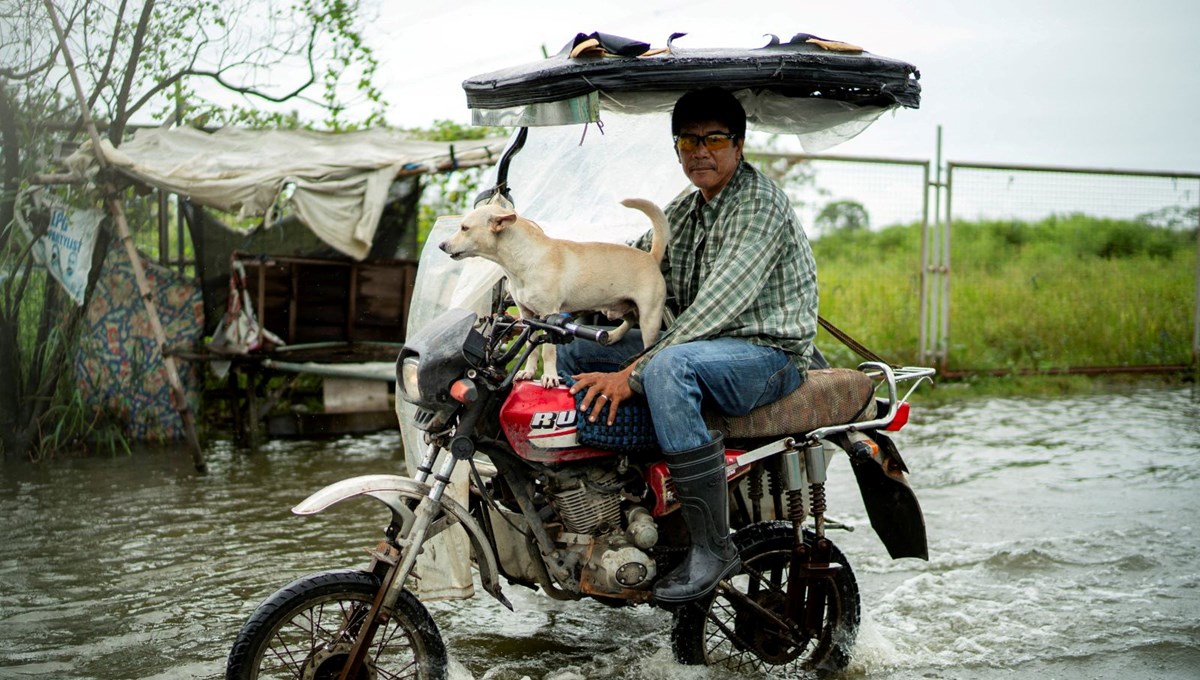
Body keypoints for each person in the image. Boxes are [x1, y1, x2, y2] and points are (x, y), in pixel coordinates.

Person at [560, 87, 820, 604]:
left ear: (739, 145)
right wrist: (557, 293)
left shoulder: (758, 205)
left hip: (767, 355)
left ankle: (712, 545)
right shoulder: (686, 208)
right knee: (575, 351)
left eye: (714, 139)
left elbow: (714, 312)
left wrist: (632, 373)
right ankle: (618, 502)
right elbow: (631, 269)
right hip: (708, 349)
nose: (700, 151)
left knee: (666, 368)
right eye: (687, 140)